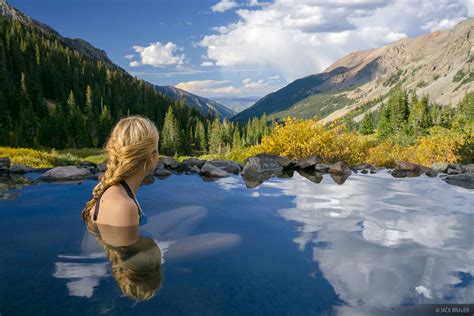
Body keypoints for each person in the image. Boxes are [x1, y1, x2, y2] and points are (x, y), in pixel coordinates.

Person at [81, 115, 160, 227]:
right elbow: (126, 245)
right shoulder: (124, 207)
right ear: (152, 155)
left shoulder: (116, 190)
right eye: (157, 149)